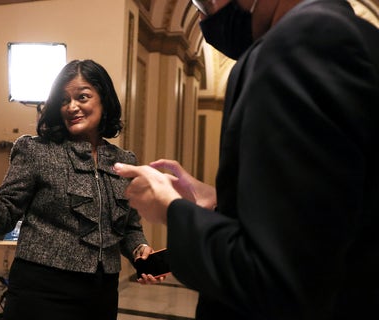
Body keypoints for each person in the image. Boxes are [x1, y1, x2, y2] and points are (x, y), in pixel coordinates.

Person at [114, 0, 379, 319]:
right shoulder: (357, 37)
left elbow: (278, 281)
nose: (204, 15)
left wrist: (170, 208)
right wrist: (217, 201)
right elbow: (325, 212)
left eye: (205, 1)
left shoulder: (300, 42)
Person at [0, 59, 161, 320]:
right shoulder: (36, 151)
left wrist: (140, 249)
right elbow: (2, 220)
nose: (72, 107)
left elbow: (129, 226)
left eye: (82, 97)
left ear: (104, 99)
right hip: (41, 291)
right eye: (63, 100)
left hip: (102, 294)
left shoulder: (125, 161)